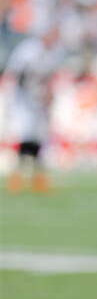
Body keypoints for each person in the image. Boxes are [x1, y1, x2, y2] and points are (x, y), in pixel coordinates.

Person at [4, 26, 63, 194]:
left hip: (38, 100)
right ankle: (19, 176)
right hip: (22, 99)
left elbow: (49, 78)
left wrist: (47, 94)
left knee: (39, 137)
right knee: (27, 135)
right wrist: (34, 95)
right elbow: (18, 76)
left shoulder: (52, 53)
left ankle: (37, 176)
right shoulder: (29, 50)